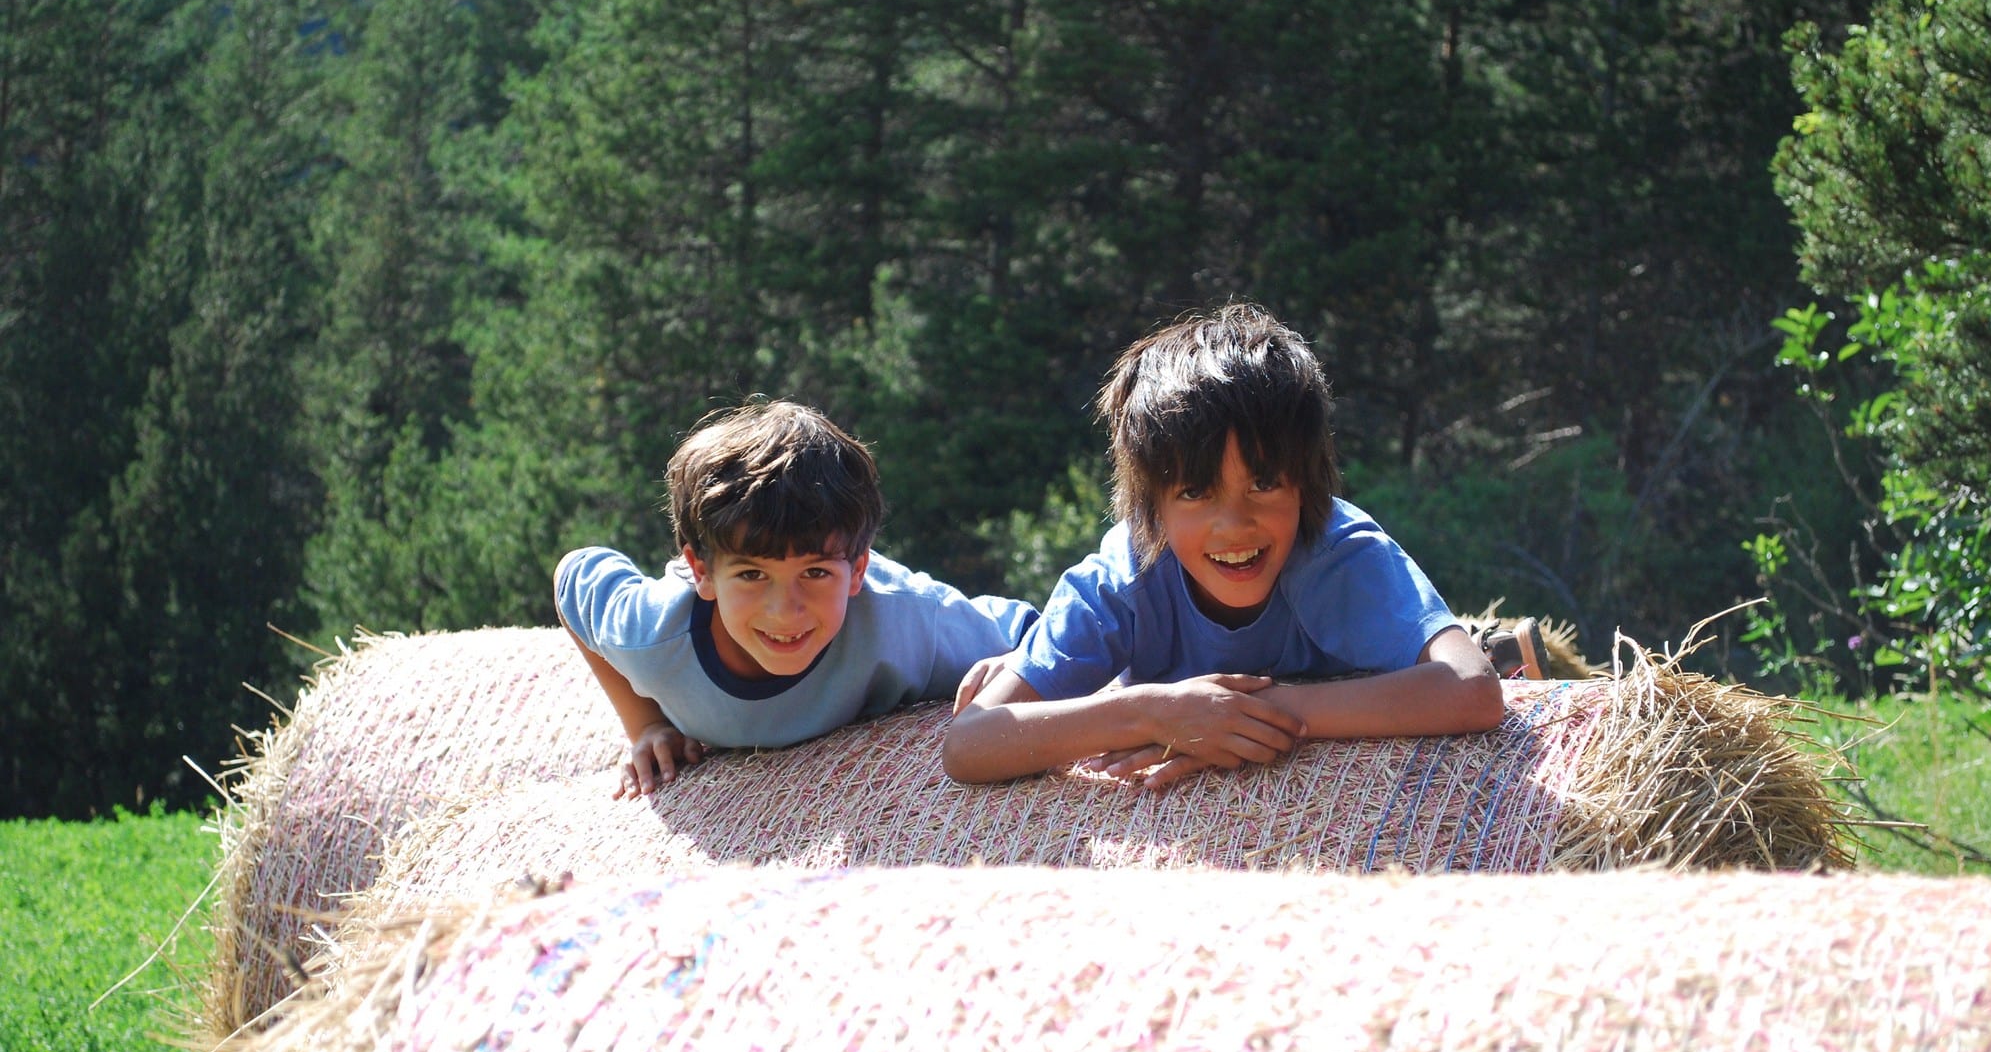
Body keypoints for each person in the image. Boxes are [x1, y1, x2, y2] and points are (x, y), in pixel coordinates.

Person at [943, 303, 1503, 787]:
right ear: (1150, 507)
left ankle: (1480, 634)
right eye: (1194, 492)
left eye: (1264, 484)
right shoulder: (1123, 580)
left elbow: (1473, 690)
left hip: (1365, 647)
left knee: (1485, 656)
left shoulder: (1336, 552)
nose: (1234, 526)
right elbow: (968, 745)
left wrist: (1247, 713)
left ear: (1306, 488)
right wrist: (1153, 714)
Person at [557, 399, 1037, 798]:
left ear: (858, 570)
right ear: (700, 569)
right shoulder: (651, 636)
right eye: (751, 574)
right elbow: (573, 575)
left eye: (814, 572)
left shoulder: (906, 621)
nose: (785, 609)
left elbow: (1033, 634)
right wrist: (645, 724)